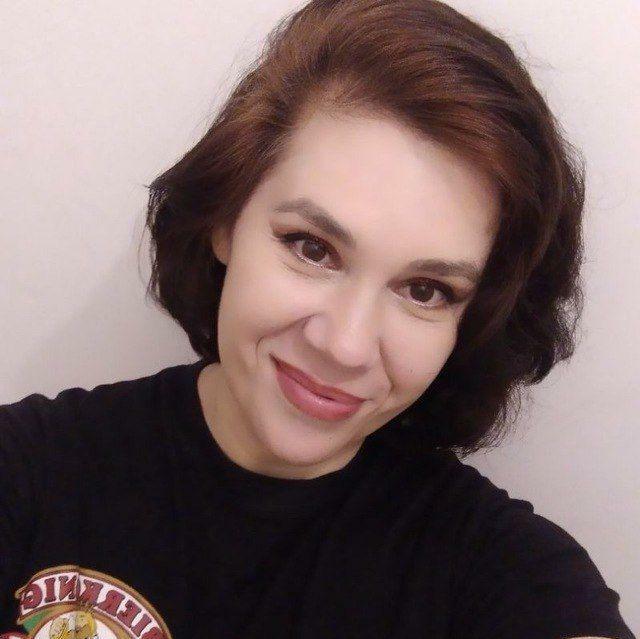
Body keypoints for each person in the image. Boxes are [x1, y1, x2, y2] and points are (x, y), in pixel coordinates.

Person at [0, 0, 635, 638]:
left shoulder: (506, 574)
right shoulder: (30, 472)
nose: (346, 346)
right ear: (225, 220)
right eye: (312, 249)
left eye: (425, 290)